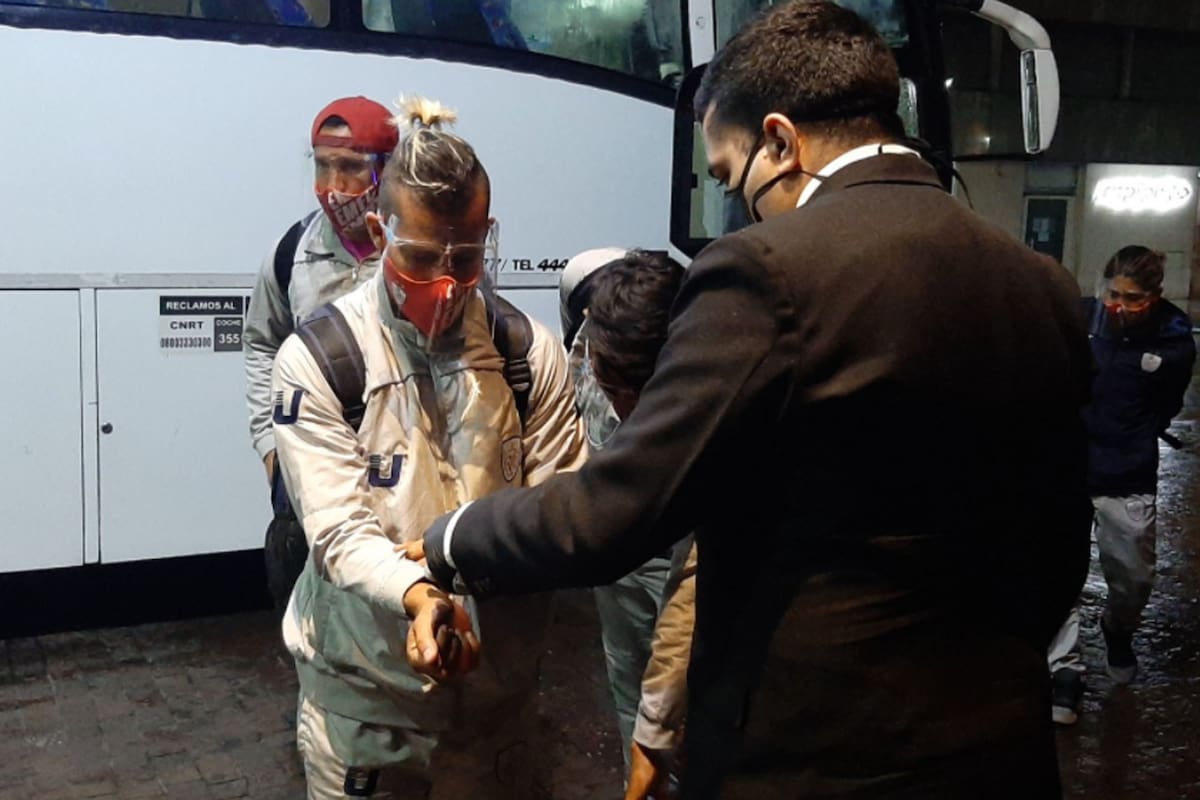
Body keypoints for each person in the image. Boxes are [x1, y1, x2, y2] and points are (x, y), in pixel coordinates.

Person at [409, 3, 1095, 797]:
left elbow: (619, 510)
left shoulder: (768, 270)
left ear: (779, 139)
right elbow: (1058, 543)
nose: (738, 203)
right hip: (998, 746)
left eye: (731, 176)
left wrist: (452, 537)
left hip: (816, 751)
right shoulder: (1038, 282)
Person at [270, 96, 585, 798]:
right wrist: (418, 594)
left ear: (488, 236)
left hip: (499, 710)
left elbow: (560, 510)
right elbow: (338, 530)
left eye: (466, 258)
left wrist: (473, 581)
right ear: (381, 232)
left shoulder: (529, 354)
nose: (444, 285)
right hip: (369, 713)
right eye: (419, 258)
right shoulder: (319, 359)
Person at [245, 96, 398, 608]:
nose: (334, 186)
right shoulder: (292, 251)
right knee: (309, 610)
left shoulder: (415, 248)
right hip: (306, 470)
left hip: (395, 473)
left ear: (386, 168)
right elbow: (262, 341)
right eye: (322, 165)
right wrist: (270, 445)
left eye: (352, 167)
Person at [559, 248, 691, 789]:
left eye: (638, 389)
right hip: (619, 564)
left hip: (688, 558)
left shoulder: (705, 379)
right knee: (629, 696)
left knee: (684, 705)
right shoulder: (588, 351)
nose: (626, 403)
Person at [1048, 246, 1196, 725]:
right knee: (1058, 572)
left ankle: (1118, 629)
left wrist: (1134, 435)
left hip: (1127, 474)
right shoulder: (1079, 317)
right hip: (1068, 467)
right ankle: (1064, 673)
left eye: (1134, 299)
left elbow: (1167, 404)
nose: (1120, 306)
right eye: (1114, 294)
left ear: (1154, 297)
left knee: (1134, 579)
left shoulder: (1173, 339)